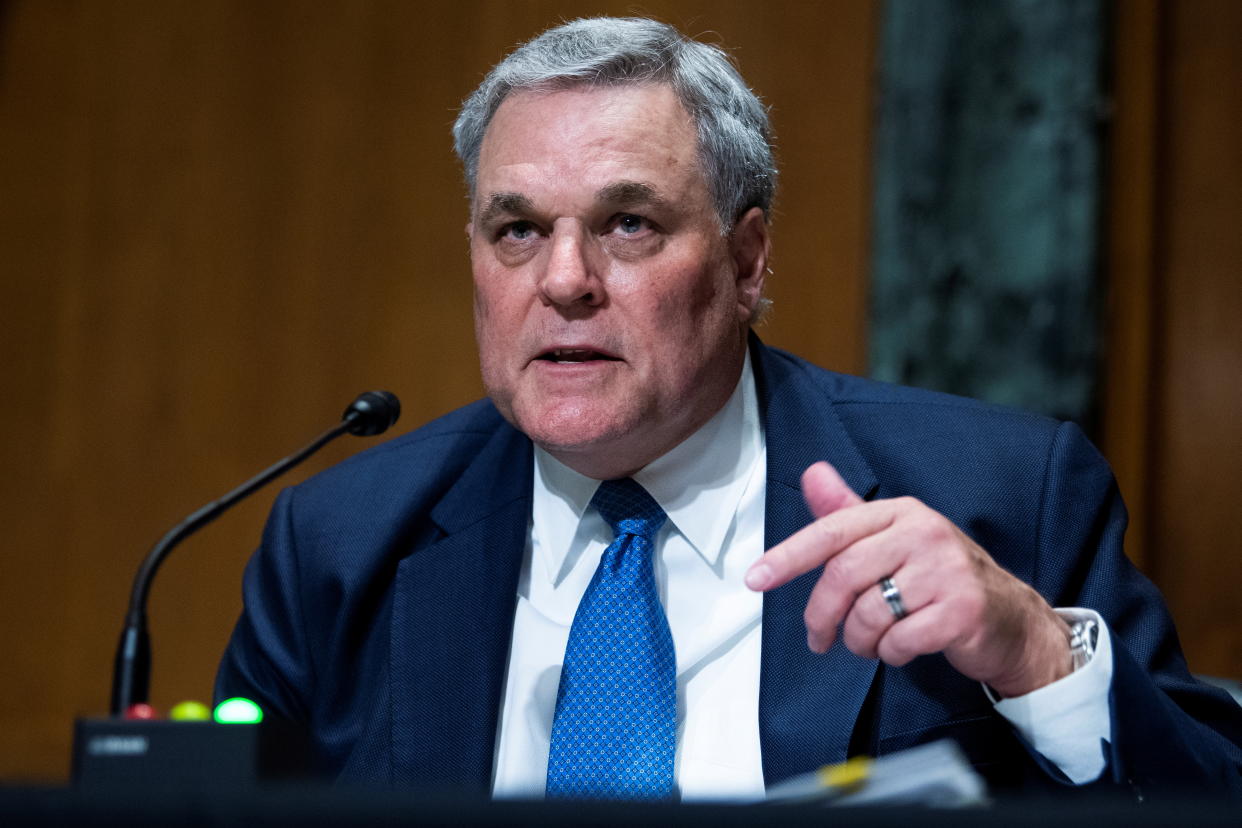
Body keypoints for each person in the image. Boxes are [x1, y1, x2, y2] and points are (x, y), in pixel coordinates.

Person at [216, 17, 1242, 800]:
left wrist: (1036, 656)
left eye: (627, 224)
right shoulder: (339, 548)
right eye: (518, 231)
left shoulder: (1002, 496)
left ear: (747, 260)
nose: (564, 280)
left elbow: (1209, 796)